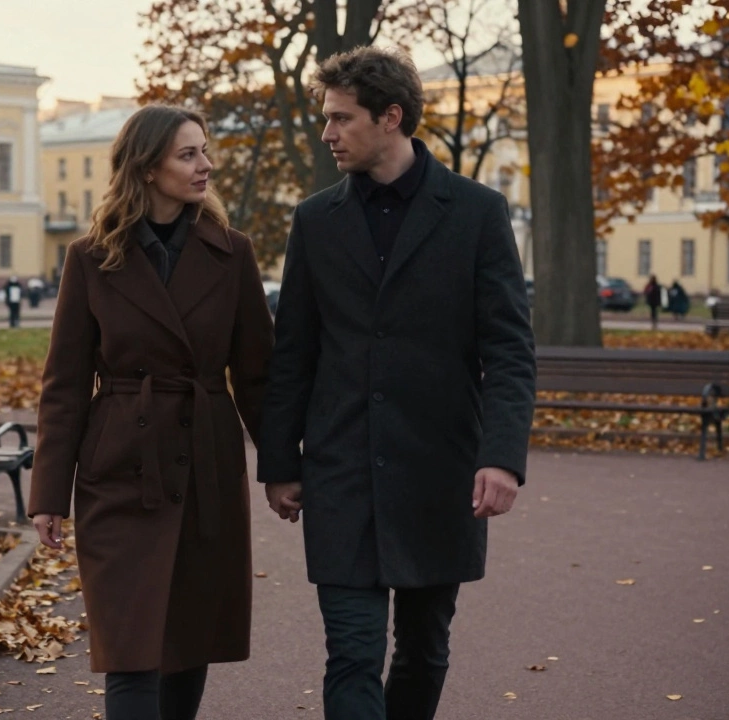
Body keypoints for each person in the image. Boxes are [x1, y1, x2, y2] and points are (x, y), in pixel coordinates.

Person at [257, 47, 536, 720]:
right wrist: (279, 463)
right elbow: (294, 351)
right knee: (352, 653)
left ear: (390, 117)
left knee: (423, 652)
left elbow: (509, 349)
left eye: (341, 118)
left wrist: (502, 458)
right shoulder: (315, 219)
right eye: (326, 118)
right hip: (341, 469)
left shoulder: (477, 212)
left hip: (438, 471)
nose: (327, 133)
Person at [29, 105, 273, 720]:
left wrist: (282, 469)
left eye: (205, 150)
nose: (205, 165)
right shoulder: (91, 257)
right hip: (119, 467)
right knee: (130, 648)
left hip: (203, 465)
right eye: (188, 154)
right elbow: (64, 383)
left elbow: (257, 376)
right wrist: (48, 493)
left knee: (189, 639)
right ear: (145, 168)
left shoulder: (232, 253)